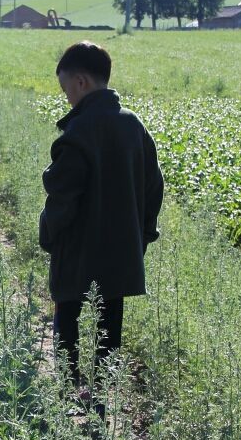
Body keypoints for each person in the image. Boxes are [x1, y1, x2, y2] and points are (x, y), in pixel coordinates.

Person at [39, 41, 164, 397]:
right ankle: (99, 407)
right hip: (121, 256)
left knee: (68, 322)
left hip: (77, 253)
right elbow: (154, 188)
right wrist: (140, 237)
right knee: (109, 331)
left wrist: (49, 234)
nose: (67, 100)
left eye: (66, 90)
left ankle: (66, 400)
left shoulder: (79, 133)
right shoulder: (134, 127)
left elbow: (62, 196)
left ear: (81, 82)